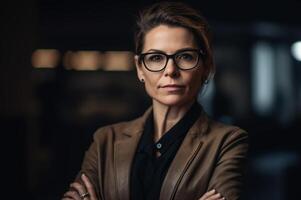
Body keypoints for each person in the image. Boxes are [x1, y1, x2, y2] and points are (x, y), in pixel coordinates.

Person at [62, 1, 248, 200]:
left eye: (185, 56)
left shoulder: (227, 142)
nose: (170, 71)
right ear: (140, 68)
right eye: (156, 58)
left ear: (206, 66)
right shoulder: (105, 140)